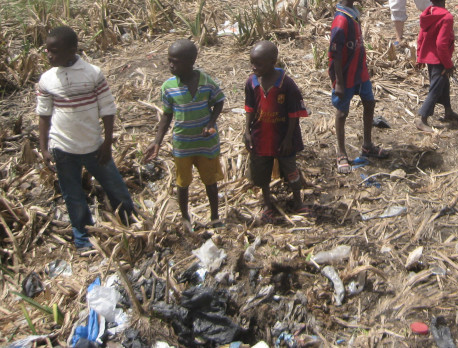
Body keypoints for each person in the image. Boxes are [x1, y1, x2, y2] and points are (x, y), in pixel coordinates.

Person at [36, 26, 134, 249]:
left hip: (94, 146)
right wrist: (43, 147)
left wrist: (107, 143)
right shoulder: (47, 79)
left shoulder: (92, 73)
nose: (49, 55)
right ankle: (83, 238)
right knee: (73, 196)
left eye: (55, 51)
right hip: (63, 147)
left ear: (72, 49)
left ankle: (132, 224)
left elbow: (107, 110)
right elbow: (43, 115)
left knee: (115, 187)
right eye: (47, 51)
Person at [144, 39, 224, 231]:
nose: (171, 65)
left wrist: (211, 122)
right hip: (182, 144)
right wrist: (157, 141)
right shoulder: (168, 87)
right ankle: (185, 217)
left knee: (210, 181)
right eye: (169, 60)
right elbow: (167, 115)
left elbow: (219, 101)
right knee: (183, 183)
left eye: (176, 61)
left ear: (191, 61)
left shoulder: (206, 82)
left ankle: (214, 217)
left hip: (206, 143)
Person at [243, 41, 309, 224]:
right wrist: (247, 131)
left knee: (291, 170)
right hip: (260, 136)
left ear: (273, 62)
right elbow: (249, 108)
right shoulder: (252, 82)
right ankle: (267, 204)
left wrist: (288, 138)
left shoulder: (286, 84)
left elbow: (294, 113)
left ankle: (298, 201)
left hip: (282, 137)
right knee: (262, 173)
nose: (254, 67)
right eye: (252, 63)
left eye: (259, 64)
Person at [329, 0, 386, 173]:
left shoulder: (352, 11)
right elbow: (335, 54)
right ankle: (341, 152)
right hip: (346, 75)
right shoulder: (341, 21)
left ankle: (367, 144)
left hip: (360, 72)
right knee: (342, 112)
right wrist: (339, 82)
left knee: (369, 102)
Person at [415, 0, 458, 133]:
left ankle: (448, 111)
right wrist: (448, 64)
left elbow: (421, 37)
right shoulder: (446, 18)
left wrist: (419, 57)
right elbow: (441, 45)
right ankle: (422, 118)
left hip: (429, 57)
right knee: (436, 88)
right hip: (439, 59)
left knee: (443, 84)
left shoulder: (427, 14)